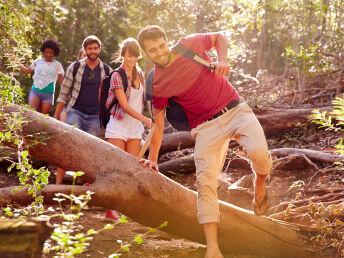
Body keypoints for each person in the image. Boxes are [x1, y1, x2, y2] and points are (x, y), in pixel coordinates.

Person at [137, 25, 273, 258]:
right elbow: (157, 125)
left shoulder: (189, 44)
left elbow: (219, 37)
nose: (159, 52)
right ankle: (213, 248)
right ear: (145, 53)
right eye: (153, 50)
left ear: (167, 41)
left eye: (161, 45)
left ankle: (260, 182)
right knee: (205, 182)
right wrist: (152, 160)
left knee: (259, 152)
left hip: (235, 109)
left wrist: (222, 60)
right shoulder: (157, 82)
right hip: (205, 128)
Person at [54, 35, 112, 184]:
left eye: (95, 48)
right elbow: (63, 94)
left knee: (89, 151)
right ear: (85, 50)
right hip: (76, 112)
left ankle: (81, 186)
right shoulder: (75, 67)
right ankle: (58, 185)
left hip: (94, 116)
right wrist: (54, 118)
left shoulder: (106, 70)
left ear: (99, 49)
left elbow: (113, 95)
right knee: (70, 143)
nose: (93, 51)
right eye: (89, 48)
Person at [105, 38, 152, 156]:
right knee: (118, 168)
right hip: (117, 129)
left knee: (131, 170)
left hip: (135, 130)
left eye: (136, 56)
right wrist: (145, 120)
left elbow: (147, 97)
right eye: (130, 56)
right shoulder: (117, 75)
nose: (133, 59)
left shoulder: (139, 74)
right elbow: (125, 106)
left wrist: (153, 115)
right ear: (123, 55)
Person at [17, 39, 64, 114]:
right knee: (32, 114)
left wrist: (64, 95)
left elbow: (62, 81)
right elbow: (26, 71)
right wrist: (15, 61)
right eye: (47, 52)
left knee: (42, 119)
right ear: (43, 51)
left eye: (51, 53)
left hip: (48, 95)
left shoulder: (57, 65)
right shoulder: (38, 61)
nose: (48, 54)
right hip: (35, 91)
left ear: (54, 53)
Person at [60, 48, 87, 123]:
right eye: (84, 56)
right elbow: (65, 91)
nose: (86, 58)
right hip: (69, 106)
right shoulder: (73, 69)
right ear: (79, 58)